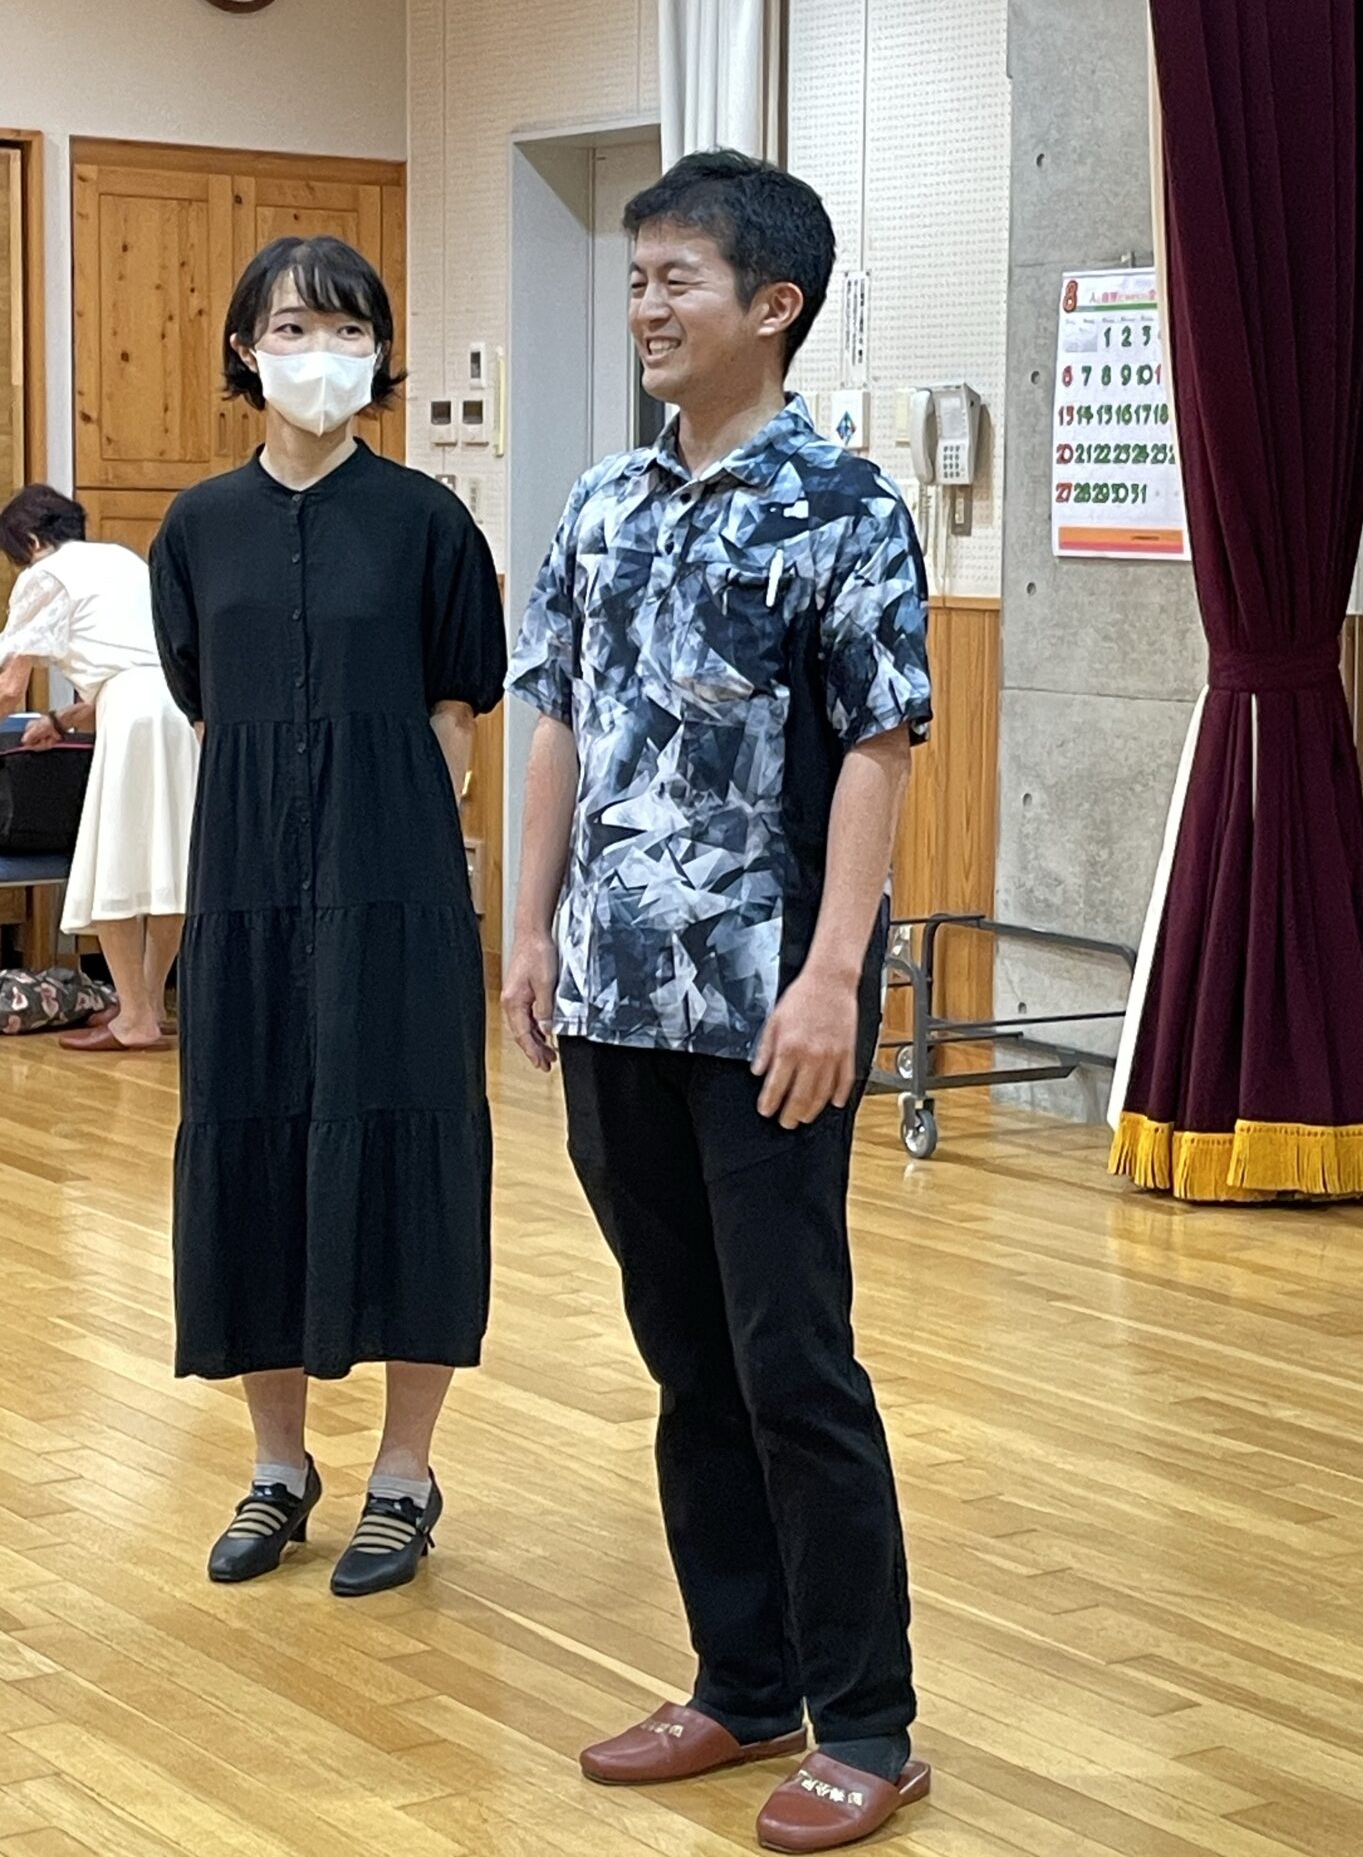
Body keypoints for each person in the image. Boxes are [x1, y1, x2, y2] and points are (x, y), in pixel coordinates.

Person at [503, 151, 933, 1854]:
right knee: (685, 1358)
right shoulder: (603, 504)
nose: (646, 308)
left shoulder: (844, 507)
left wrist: (832, 975)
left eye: (676, 278)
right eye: (635, 279)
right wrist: (526, 929)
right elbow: (556, 714)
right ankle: (742, 1681)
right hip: (613, 997)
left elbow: (879, 748)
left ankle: (869, 1723)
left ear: (774, 303)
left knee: (790, 1365)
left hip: (769, 1012)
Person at [150, 235, 505, 1596]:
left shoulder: (427, 522)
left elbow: (458, 710)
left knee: (412, 1137)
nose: (322, 351)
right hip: (246, 882)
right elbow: (207, 699)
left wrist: (403, 846)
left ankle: (405, 1475)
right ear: (247, 349)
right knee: (248, 1136)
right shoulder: (196, 527)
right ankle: (277, 1466)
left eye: (350, 328)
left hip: (395, 880)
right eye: (294, 327)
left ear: (380, 352)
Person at [0, 487, 199, 1050]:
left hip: (132, 717)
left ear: (30, 540)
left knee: (111, 860)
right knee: (168, 865)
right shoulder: (123, 561)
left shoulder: (45, 574)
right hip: (180, 710)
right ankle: (148, 1005)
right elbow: (138, 664)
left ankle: (133, 1018)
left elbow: (9, 688)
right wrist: (62, 720)